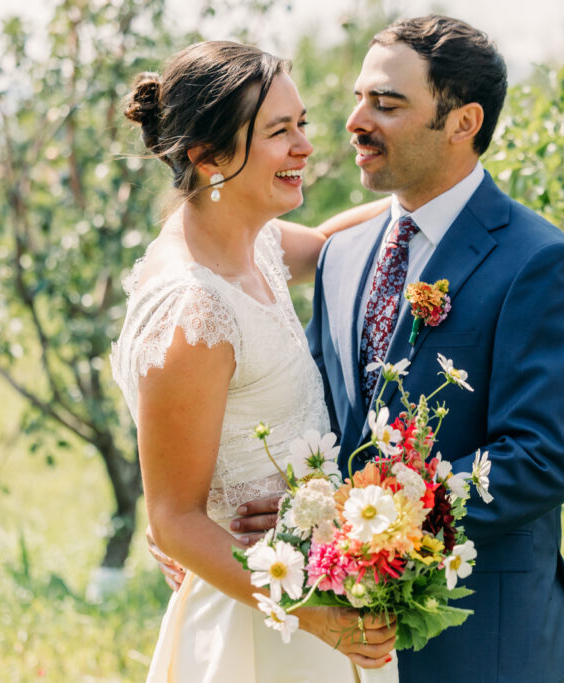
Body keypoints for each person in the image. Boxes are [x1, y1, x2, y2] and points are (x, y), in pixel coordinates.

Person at [230, 15, 564, 682]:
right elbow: (316, 413)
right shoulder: (342, 256)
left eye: (387, 103)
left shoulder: (542, 263)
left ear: (463, 122)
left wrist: (365, 514)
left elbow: (540, 459)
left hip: (484, 640)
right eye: (357, 99)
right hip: (341, 643)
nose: (354, 122)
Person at [110, 41, 396, 682]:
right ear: (208, 157)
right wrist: (316, 618)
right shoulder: (194, 311)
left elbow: (327, 246)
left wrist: (445, 197)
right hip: (260, 623)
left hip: (316, 591)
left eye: (301, 125)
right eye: (278, 131)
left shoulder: (252, 239)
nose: (303, 147)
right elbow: (174, 519)